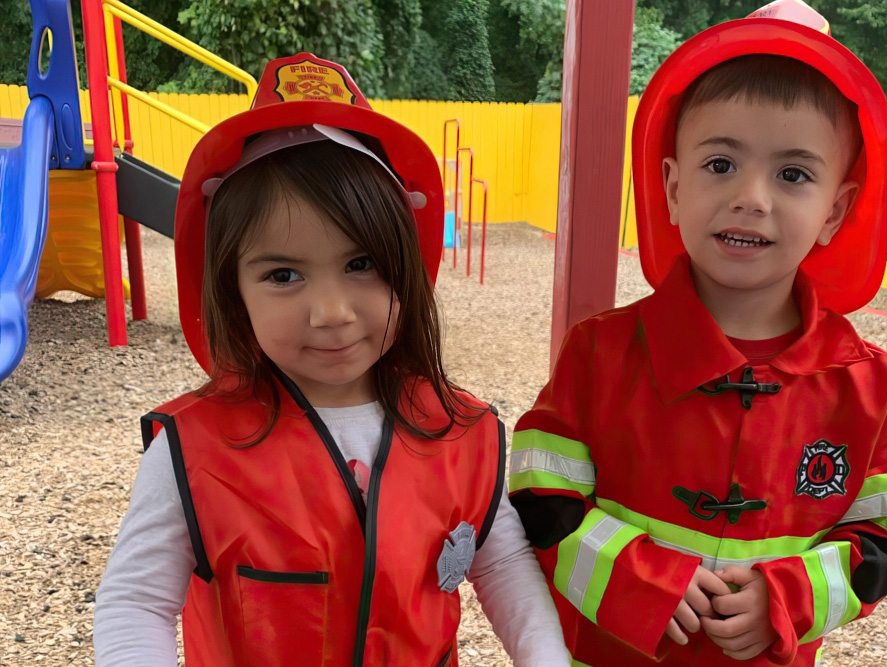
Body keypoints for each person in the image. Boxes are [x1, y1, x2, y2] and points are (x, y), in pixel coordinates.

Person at [94, 54, 570, 667]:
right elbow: (136, 601)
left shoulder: (461, 435)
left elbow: (501, 560)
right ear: (232, 291)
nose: (332, 311)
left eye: (361, 264)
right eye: (284, 274)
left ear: (406, 268)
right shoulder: (194, 451)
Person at [508, 1, 887, 665]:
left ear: (834, 211)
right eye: (720, 164)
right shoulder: (597, 354)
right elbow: (538, 498)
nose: (752, 197)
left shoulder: (876, 392)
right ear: (672, 188)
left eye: (793, 174)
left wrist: (787, 598)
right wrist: (638, 582)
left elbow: (885, 544)